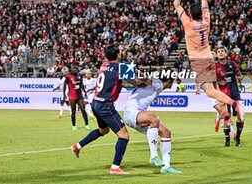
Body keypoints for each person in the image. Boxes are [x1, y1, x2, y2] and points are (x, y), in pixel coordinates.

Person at [173, 0, 243, 124]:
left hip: (199, 61)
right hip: (210, 58)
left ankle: (234, 104)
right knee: (215, 90)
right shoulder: (206, 21)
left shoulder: (188, 23)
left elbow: (176, 4)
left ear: (190, 14)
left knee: (210, 91)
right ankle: (225, 118)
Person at [71, 45, 130, 175]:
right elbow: (133, 80)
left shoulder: (103, 66)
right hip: (105, 105)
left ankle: (77, 146)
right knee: (124, 135)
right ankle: (115, 167)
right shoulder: (119, 68)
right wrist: (148, 83)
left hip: (96, 103)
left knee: (104, 130)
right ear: (118, 55)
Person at [124, 76, 182, 174]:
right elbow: (146, 79)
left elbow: (142, 82)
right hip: (132, 112)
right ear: (169, 81)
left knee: (166, 132)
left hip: (138, 113)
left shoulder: (157, 87)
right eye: (173, 81)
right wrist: (140, 75)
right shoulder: (157, 84)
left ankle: (166, 167)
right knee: (154, 119)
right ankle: (154, 156)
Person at [215, 46, 245, 147]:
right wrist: (219, 82)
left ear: (226, 53)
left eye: (222, 51)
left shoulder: (233, 64)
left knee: (241, 117)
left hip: (235, 95)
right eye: (218, 51)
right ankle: (227, 138)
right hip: (223, 97)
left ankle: (238, 138)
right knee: (226, 120)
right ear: (217, 55)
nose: (220, 53)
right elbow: (212, 82)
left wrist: (240, 78)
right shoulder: (214, 67)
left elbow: (239, 75)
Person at [63, 64, 92, 131]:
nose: (75, 70)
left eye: (76, 69)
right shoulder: (68, 76)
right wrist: (64, 95)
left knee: (83, 110)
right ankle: (74, 125)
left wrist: (84, 92)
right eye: (74, 69)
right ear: (71, 70)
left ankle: (87, 125)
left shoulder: (80, 76)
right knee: (73, 112)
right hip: (72, 96)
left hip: (79, 95)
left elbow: (81, 84)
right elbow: (65, 85)